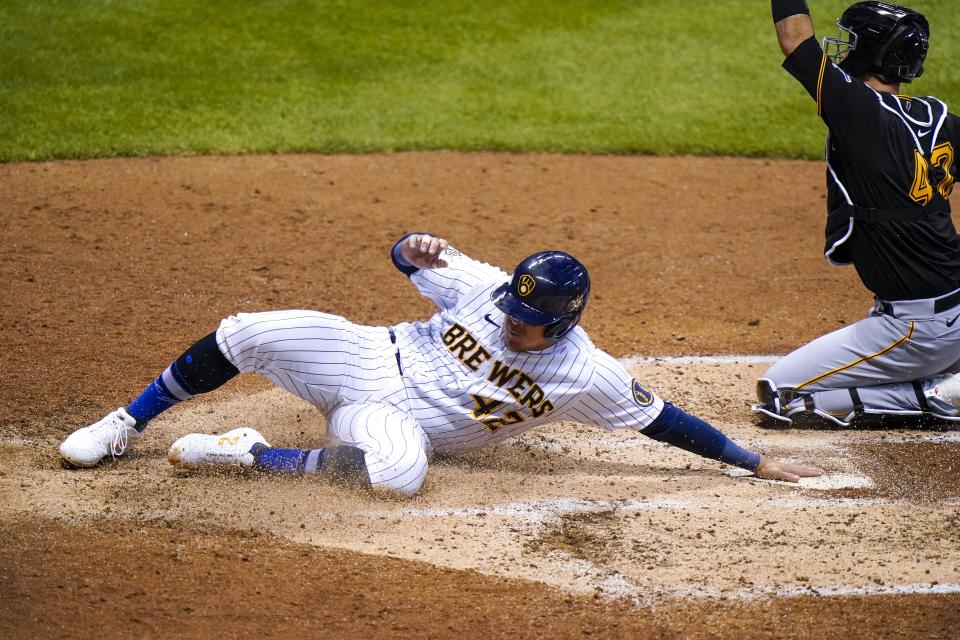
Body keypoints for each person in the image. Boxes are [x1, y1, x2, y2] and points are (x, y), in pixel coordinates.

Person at [60, 233, 821, 496]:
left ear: (563, 323)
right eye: (510, 312)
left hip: (390, 420)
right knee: (248, 330)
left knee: (394, 477)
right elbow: (412, 255)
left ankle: (250, 455)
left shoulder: (587, 374)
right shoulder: (485, 287)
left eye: (528, 324)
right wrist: (412, 246)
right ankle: (125, 422)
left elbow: (661, 419)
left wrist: (751, 461)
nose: (511, 324)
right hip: (364, 355)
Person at [755, 1, 960, 427]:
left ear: (873, 52)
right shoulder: (941, 120)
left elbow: (796, 40)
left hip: (918, 329)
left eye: (852, 41)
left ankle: (935, 395)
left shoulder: (859, 110)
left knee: (781, 395)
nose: (844, 48)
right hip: (951, 310)